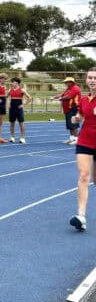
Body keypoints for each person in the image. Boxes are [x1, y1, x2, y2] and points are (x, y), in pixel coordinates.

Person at [69, 67, 96, 232]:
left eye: (95, 77)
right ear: (86, 80)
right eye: (90, 77)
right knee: (83, 176)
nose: (93, 80)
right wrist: (77, 118)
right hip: (85, 141)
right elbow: (81, 115)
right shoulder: (85, 100)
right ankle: (81, 215)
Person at [52, 76, 82, 144]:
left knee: (73, 124)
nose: (65, 83)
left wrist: (60, 99)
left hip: (73, 108)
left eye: (67, 82)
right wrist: (54, 97)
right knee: (69, 124)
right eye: (65, 82)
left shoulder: (75, 88)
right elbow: (62, 94)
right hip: (68, 109)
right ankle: (72, 138)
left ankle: (76, 139)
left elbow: (69, 97)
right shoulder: (68, 88)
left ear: (71, 82)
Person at [7, 77, 32, 143]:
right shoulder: (10, 90)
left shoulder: (22, 90)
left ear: (17, 82)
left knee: (21, 123)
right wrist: (8, 104)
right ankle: (12, 137)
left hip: (19, 108)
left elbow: (29, 97)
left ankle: (22, 138)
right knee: (12, 123)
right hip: (12, 108)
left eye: (14, 82)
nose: (12, 83)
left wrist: (24, 104)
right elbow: (6, 97)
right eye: (12, 82)